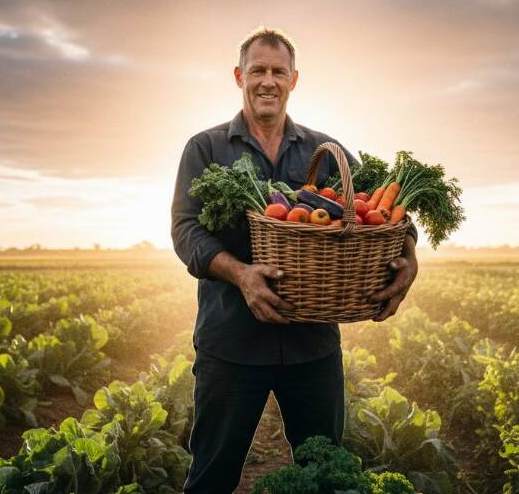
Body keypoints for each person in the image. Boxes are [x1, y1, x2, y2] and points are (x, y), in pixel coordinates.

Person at [170, 27, 419, 493]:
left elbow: (386, 215)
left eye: (278, 72)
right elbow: (186, 231)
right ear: (239, 75)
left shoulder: (327, 152)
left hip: (312, 345)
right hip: (231, 342)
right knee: (211, 477)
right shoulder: (205, 149)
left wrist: (410, 257)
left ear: (294, 80)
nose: (268, 81)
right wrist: (242, 275)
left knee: (323, 474)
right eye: (258, 70)